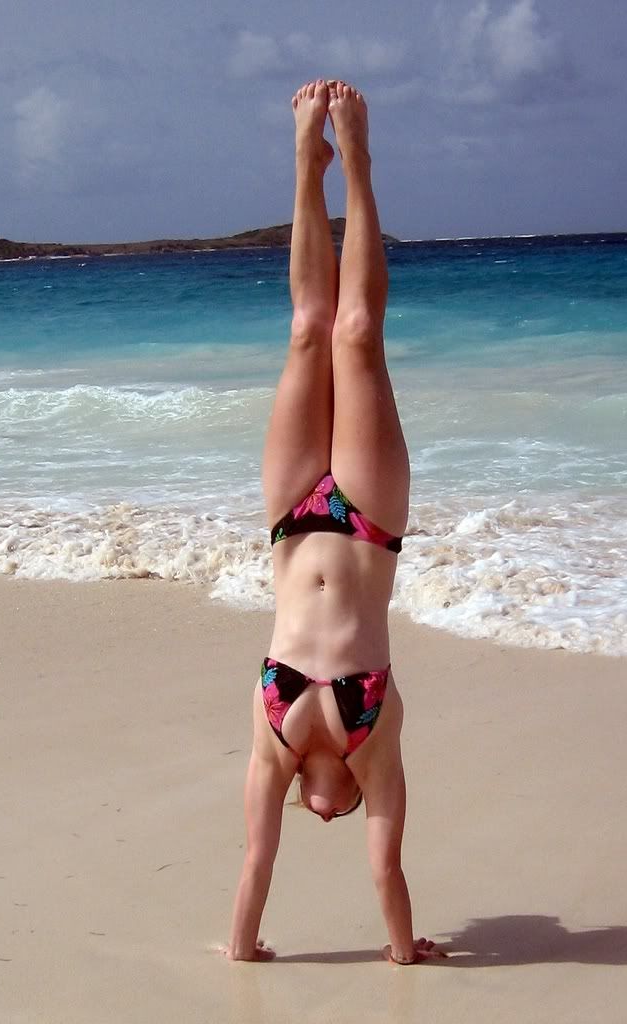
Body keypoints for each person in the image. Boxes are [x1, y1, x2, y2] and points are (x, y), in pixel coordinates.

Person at [227, 80, 444, 966]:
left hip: (292, 520)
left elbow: (254, 861)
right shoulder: (375, 743)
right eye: (343, 814)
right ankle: (355, 162)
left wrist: (242, 948)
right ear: (347, 803)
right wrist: (404, 952)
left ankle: (302, 163)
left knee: (308, 331)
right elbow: (386, 870)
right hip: (368, 522)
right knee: (357, 333)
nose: (327, 814)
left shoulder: (271, 741)